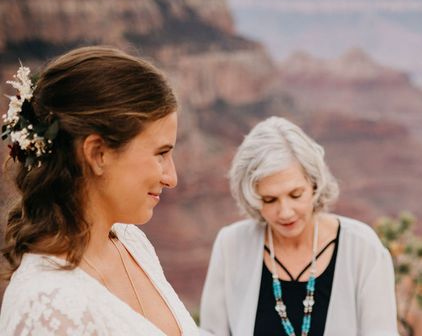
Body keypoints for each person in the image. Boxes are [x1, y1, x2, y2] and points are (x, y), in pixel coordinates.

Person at [0, 46, 199, 335]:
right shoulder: (43, 310)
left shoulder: (131, 242)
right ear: (98, 153)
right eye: (161, 153)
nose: (172, 178)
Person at [200, 116, 399, 336]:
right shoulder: (231, 245)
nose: (285, 212)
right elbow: (211, 332)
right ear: (252, 198)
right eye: (269, 200)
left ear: (314, 184)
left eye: (295, 195)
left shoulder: (362, 248)